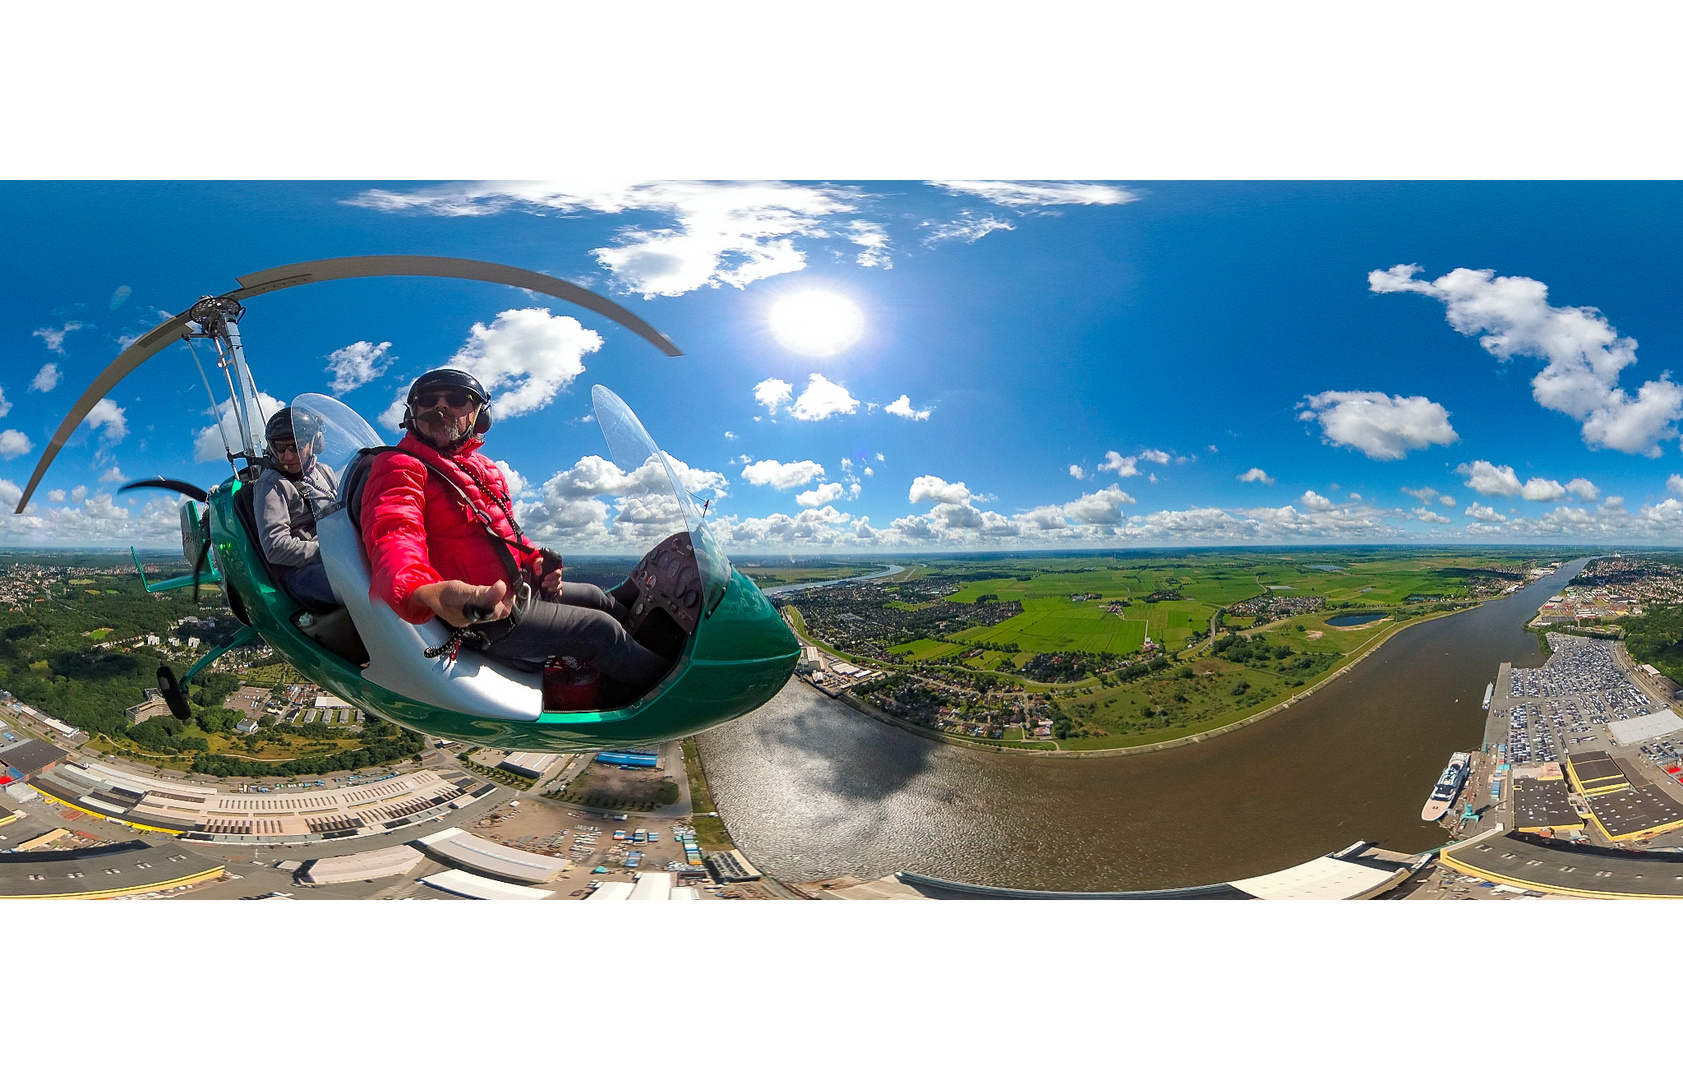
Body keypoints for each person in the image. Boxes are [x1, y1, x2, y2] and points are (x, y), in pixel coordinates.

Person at [359, 368, 669, 703]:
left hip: (517, 588)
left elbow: (504, 533)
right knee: (600, 631)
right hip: (481, 614)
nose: (442, 407)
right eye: (430, 400)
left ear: (480, 416)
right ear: (413, 413)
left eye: (458, 399)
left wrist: (537, 563)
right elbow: (394, 532)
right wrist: (421, 592)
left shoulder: (486, 469)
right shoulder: (399, 465)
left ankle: (654, 656)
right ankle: (671, 693)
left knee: (597, 597)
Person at [254, 408, 340, 609]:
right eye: (279, 448)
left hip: (334, 556)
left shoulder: (325, 473)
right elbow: (275, 547)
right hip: (299, 571)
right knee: (356, 588)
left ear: (314, 443)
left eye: (295, 447)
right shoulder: (271, 484)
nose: (287, 456)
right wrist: (326, 553)